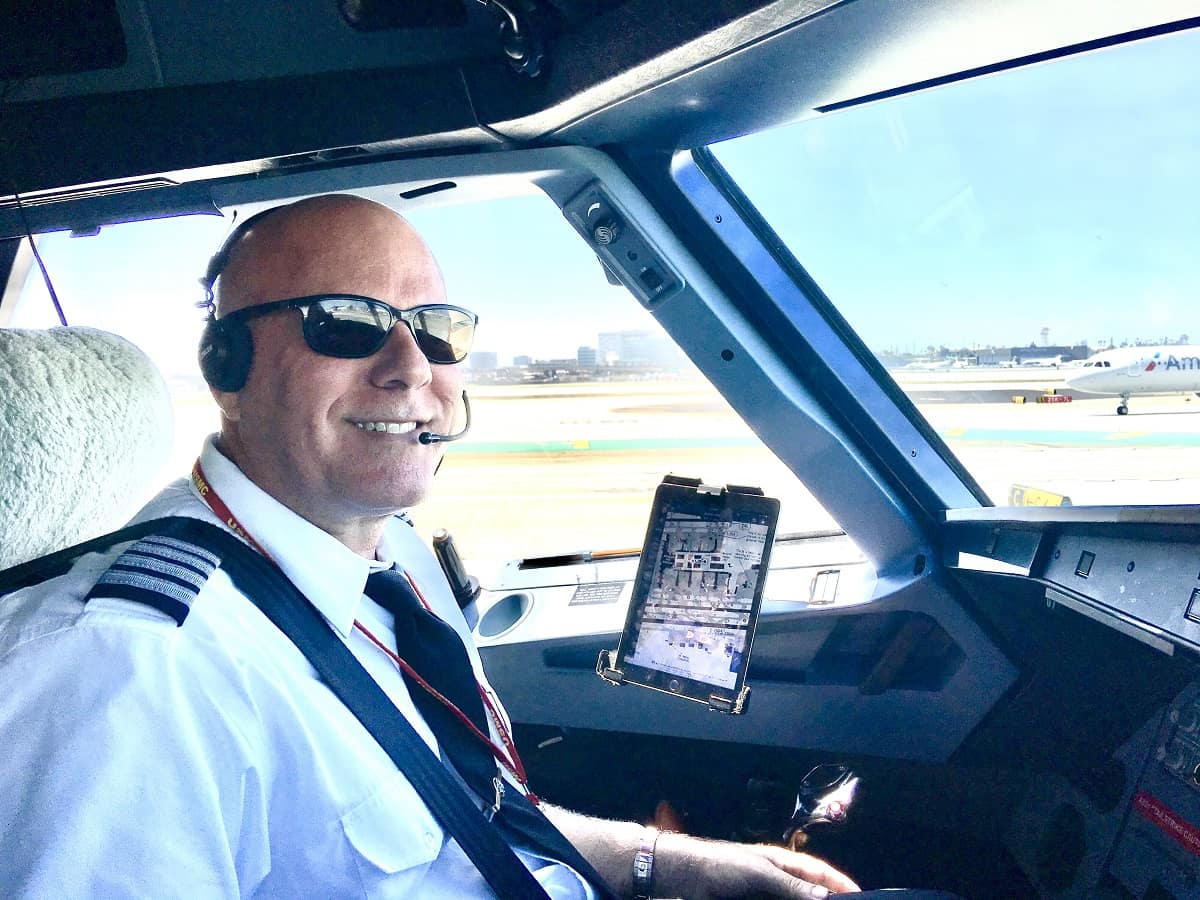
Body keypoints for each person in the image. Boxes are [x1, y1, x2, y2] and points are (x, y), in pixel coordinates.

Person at [0, 194, 859, 898]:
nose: (413, 364)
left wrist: (678, 865)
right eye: (344, 322)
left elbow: (467, 815)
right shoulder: (127, 670)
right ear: (227, 367)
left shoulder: (395, 561)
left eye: (436, 327)